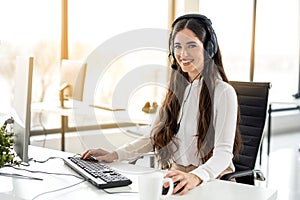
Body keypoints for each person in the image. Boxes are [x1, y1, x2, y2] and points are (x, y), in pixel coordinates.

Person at [82, 13, 241, 195]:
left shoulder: (224, 93)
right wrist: (114, 155)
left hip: (213, 180)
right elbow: (152, 137)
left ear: (208, 49)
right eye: (178, 47)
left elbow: (223, 153)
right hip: (177, 177)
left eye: (192, 46)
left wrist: (196, 176)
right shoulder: (176, 90)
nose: (183, 54)